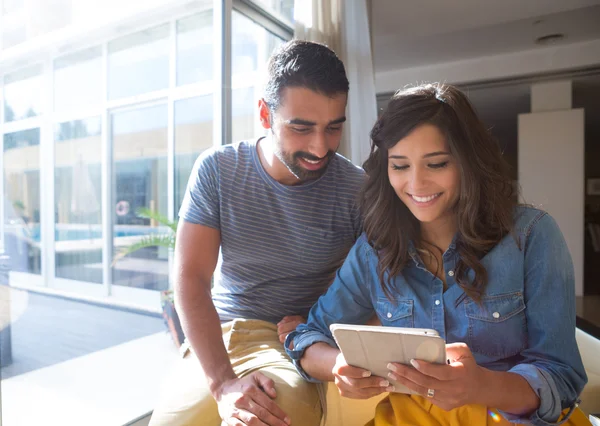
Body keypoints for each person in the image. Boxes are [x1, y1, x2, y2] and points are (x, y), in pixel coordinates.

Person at [286, 83, 592, 426]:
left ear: (468, 162)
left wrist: (481, 386)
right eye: (399, 166)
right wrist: (338, 366)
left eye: (436, 164)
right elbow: (308, 337)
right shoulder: (375, 250)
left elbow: (561, 380)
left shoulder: (531, 235)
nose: (416, 184)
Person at [149, 40, 365, 426]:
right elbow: (190, 278)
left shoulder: (356, 189)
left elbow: (375, 284)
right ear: (265, 114)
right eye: (301, 128)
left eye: (333, 128)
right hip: (223, 334)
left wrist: (316, 330)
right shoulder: (218, 170)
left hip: (292, 342)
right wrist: (222, 384)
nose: (320, 147)